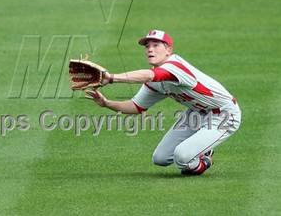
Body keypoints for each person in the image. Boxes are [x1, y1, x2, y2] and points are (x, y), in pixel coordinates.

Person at [85, 30, 241, 175]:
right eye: (147, 46)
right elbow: (136, 106)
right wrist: (107, 103)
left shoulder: (175, 66)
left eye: (156, 45)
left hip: (224, 114)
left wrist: (112, 78)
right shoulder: (154, 80)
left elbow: (151, 75)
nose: (150, 49)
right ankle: (201, 148)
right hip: (195, 114)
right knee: (160, 158)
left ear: (169, 50)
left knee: (182, 158)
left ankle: (205, 158)